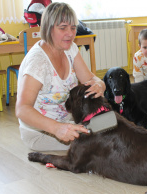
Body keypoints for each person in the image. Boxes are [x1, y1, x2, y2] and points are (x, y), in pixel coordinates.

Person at [15, 2, 106, 151]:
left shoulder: (70, 48)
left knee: (113, 123)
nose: (70, 34)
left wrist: (100, 85)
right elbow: (22, 109)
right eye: (63, 28)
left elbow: (90, 79)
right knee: (98, 143)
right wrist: (57, 128)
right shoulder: (38, 62)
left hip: (68, 121)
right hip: (42, 132)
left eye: (73, 28)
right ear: (48, 28)